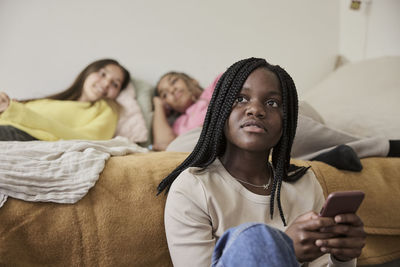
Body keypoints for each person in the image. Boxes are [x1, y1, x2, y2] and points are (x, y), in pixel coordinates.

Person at [157, 57, 366, 266]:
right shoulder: (192, 188)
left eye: (272, 103)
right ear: (220, 109)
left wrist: (342, 257)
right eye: (240, 98)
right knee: (252, 240)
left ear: (287, 122)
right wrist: (282, 248)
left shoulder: (305, 184)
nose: (255, 110)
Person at [152, 70, 400, 172]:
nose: (170, 91)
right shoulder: (181, 124)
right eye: (163, 93)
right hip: (228, 134)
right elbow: (164, 145)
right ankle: (313, 162)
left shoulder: (219, 84)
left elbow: (262, 92)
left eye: (173, 82)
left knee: (286, 117)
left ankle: (379, 146)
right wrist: (157, 107)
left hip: (270, 115)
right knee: (177, 150)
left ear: (190, 80)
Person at [0, 58, 131, 141]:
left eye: (115, 84)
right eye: (103, 74)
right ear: (89, 71)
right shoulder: (52, 101)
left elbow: (90, 140)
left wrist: (16, 112)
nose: (106, 83)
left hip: (25, 135)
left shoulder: (106, 109)